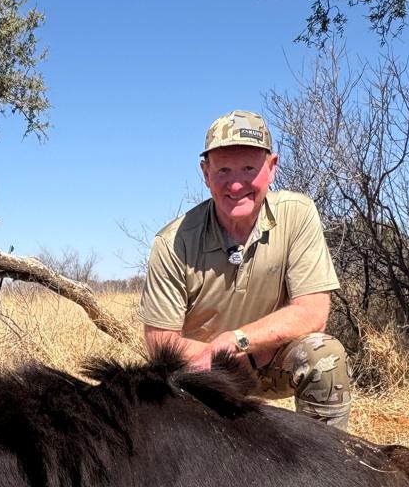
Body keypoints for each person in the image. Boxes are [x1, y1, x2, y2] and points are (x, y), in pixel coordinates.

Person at [138, 110, 353, 429]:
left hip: (269, 359)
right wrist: (218, 358)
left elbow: (313, 312)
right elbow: (160, 341)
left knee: (324, 356)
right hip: (203, 372)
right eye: (223, 170)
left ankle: (325, 455)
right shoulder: (173, 242)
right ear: (206, 173)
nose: (236, 184)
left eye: (249, 169)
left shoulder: (298, 215)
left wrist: (238, 342)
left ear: (272, 167)